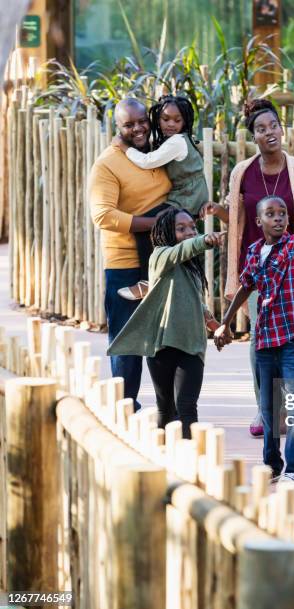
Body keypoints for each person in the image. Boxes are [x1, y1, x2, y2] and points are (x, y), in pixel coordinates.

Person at [202, 98, 294, 437]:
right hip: (258, 266)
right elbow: (236, 215)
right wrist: (217, 212)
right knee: (259, 340)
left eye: (274, 127)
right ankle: (264, 409)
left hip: (290, 267)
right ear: (254, 136)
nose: (270, 133)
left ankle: (287, 406)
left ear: (282, 129)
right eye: (261, 129)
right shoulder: (243, 172)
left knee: (289, 338)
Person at [214, 189, 294, 483]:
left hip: (292, 338)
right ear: (259, 221)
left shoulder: (293, 247)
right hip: (265, 340)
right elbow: (246, 285)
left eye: (282, 214)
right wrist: (225, 323)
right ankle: (272, 463)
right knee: (268, 408)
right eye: (271, 214)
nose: (279, 219)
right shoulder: (255, 251)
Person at [108, 208, 224, 438]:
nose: (189, 232)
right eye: (181, 229)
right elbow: (181, 250)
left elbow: (197, 303)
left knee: (187, 407)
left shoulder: (190, 268)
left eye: (192, 227)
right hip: (161, 347)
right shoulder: (159, 257)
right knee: (166, 410)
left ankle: (193, 464)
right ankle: (165, 462)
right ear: (164, 233)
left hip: (191, 345)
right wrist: (204, 240)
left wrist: (216, 326)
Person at [89, 98, 172, 410]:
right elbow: (103, 215)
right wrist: (159, 223)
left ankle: (171, 409)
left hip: (163, 259)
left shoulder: (158, 154)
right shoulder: (107, 164)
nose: (138, 128)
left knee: (167, 337)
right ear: (117, 127)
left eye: (142, 121)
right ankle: (125, 407)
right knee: (127, 340)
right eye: (129, 124)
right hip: (125, 261)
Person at [113, 94, 210, 301]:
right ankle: (164, 281)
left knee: (145, 226)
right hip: (191, 196)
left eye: (177, 120)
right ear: (158, 118)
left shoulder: (176, 141)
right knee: (166, 237)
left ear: (185, 121)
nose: (171, 124)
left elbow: (148, 161)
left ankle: (146, 283)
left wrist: (125, 147)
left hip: (185, 198)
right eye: (165, 119)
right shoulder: (180, 140)